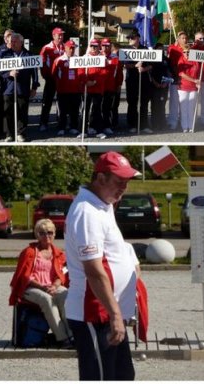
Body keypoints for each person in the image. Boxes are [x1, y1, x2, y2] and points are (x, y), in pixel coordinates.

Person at [64, 151, 142, 380]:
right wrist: (115, 315)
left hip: (106, 311)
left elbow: (112, 250)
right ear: (100, 178)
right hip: (94, 312)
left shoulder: (102, 205)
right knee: (99, 377)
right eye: (119, 182)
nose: (124, 188)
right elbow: (94, 271)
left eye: (126, 183)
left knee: (123, 375)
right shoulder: (87, 212)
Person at [9, 219, 72, 347]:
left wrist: (55, 285)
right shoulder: (29, 252)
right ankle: (62, 338)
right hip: (31, 287)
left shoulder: (59, 253)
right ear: (37, 234)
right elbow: (24, 276)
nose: (46, 236)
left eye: (49, 232)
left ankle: (72, 335)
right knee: (47, 299)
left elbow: (62, 273)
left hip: (52, 286)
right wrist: (42, 287)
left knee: (65, 295)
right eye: (42, 233)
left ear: (54, 234)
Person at [0, 33, 39, 142]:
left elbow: (34, 73)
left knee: (22, 111)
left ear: (21, 42)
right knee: (8, 112)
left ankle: (20, 133)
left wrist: (34, 87)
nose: (11, 43)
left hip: (23, 88)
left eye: (14, 41)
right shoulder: (5, 54)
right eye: (10, 41)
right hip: (8, 88)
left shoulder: (29, 55)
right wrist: (9, 74)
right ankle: (9, 134)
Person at [124, 32, 153, 134]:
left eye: (132, 38)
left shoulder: (145, 49)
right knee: (132, 102)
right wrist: (135, 65)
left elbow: (151, 65)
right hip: (131, 79)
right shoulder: (126, 50)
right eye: (129, 38)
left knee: (144, 103)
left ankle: (144, 125)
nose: (130, 40)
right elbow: (126, 65)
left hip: (143, 79)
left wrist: (144, 69)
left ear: (138, 38)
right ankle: (132, 125)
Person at [52, 40, 83, 136]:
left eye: (74, 48)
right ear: (65, 48)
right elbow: (54, 74)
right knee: (63, 111)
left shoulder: (79, 60)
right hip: (63, 90)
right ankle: (62, 127)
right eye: (70, 48)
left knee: (75, 110)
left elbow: (82, 73)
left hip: (76, 90)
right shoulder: (59, 60)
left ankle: (73, 127)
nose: (72, 50)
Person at [39, 27, 66, 131]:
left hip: (62, 80)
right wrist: (46, 76)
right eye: (59, 35)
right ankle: (43, 123)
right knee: (47, 101)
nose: (61, 37)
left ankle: (61, 123)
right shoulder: (46, 47)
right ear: (53, 36)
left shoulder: (65, 47)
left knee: (62, 102)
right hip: (51, 79)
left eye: (62, 35)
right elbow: (42, 63)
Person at [176, 42, 201, 133]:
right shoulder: (181, 60)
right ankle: (184, 126)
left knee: (191, 107)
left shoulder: (195, 61)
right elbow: (181, 74)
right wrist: (194, 80)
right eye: (185, 52)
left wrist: (198, 81)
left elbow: (198, 73)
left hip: (193, 87)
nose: (186, 54)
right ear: (182, 53)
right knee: (183, 108)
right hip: (183, 87)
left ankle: (191, 125)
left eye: (188, 52)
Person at [101, 39, 122, 135]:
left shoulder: (115, 58)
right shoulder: (97, 56)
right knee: (97, 108)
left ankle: (107, 126)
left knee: (108, 107)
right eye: (103, 45)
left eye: (107, 45)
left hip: (111, 87)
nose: (105, 47)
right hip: (98, 87)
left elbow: (119, 73)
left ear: (110, 47)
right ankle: (96, 125)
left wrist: (119, 85)